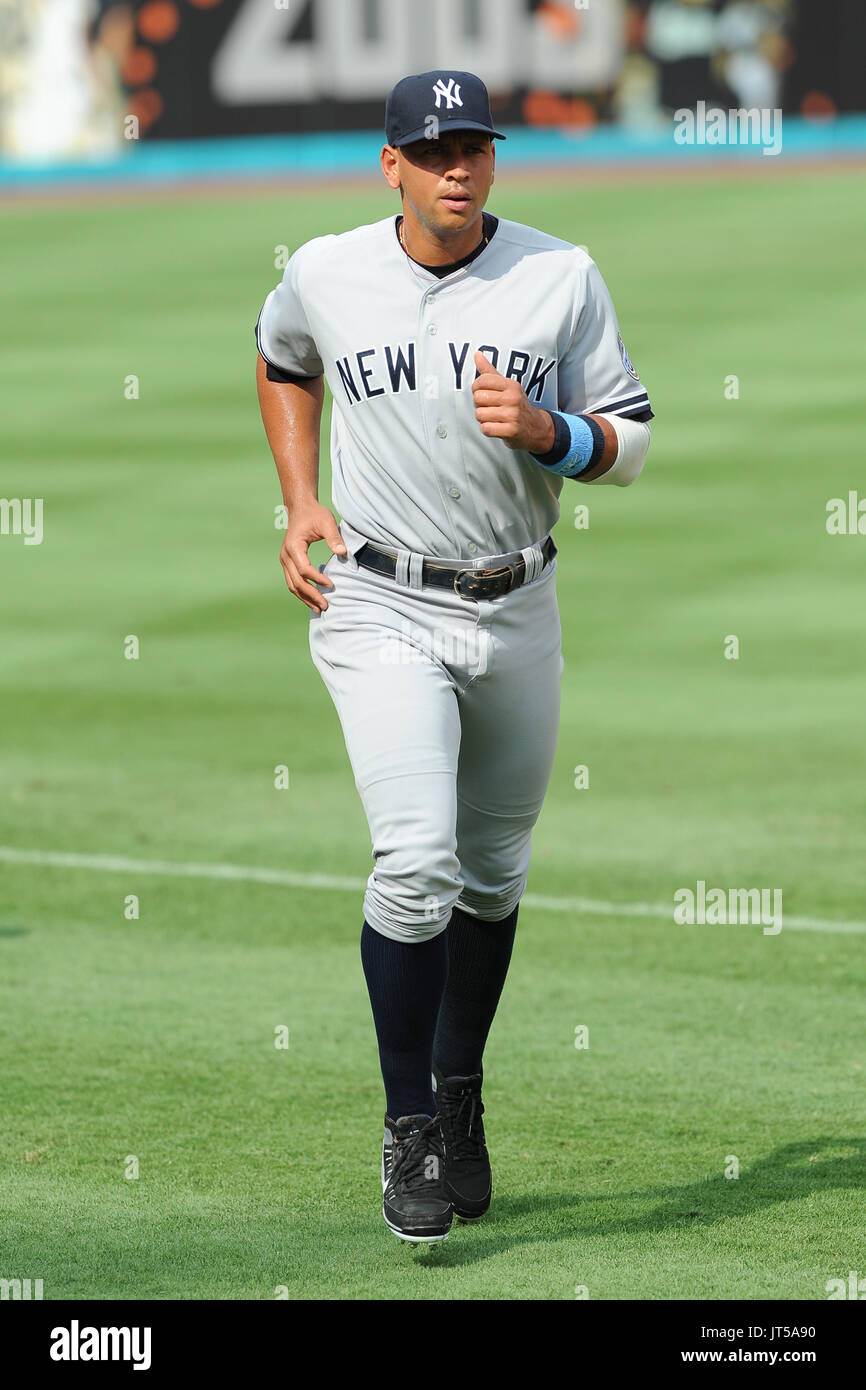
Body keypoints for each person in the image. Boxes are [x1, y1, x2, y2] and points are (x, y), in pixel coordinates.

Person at [256, 70, 653, 1245]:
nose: (455, 168)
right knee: (418, 858)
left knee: (491, 870)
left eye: (472, 146)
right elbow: (283, 357)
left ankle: (459, 1083)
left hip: (516, 602)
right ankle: (408, 1120)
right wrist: (296, 499)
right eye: (431, 151)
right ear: (392, 164)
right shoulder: (327, 269)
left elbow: (628, 443)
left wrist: (549, 431)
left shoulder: (556, 274)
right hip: (377, 600)